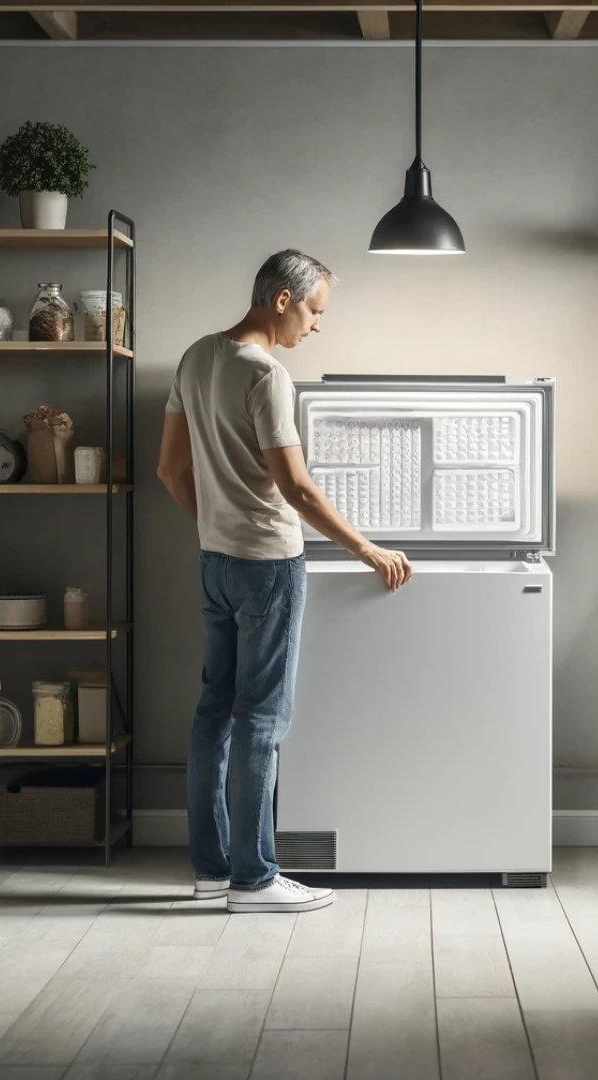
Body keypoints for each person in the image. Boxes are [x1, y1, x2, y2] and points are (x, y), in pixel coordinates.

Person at [158, 249, 413, 913]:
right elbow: (295, 487)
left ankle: (213, 872)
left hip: (216, 561)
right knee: (262, 720)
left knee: (213, 713)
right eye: (314, 310)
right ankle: (256, 880)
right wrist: (366, 546)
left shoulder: (195, 357)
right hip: (268, 563)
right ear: (281, 300)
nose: (316, 326)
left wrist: (215, 526)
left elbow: (169, 470)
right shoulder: (265, 374)